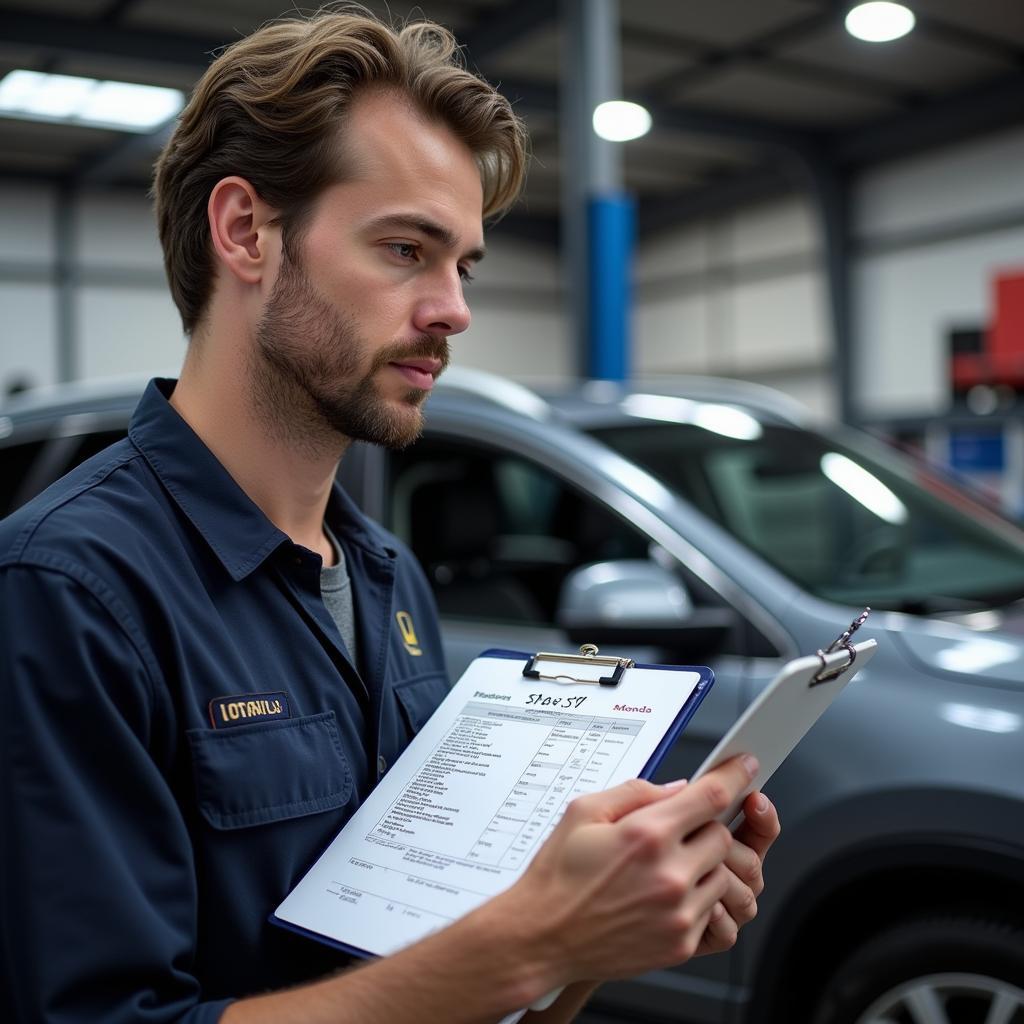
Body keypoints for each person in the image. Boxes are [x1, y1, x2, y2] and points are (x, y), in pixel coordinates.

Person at [0, 9, 780, 1024]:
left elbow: (439, 987)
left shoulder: (387, 578)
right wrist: (530, 937)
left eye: (463, 264)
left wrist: (595, 935)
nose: (454, 308)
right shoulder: (67, 594)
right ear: (245, 232)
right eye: (406, 248)